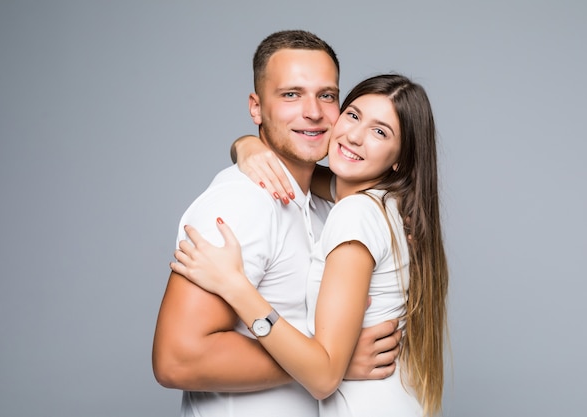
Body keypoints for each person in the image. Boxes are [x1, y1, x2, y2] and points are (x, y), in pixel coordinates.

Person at [152, 30, 401, 417]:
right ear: (256, 108)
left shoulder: (330, 204)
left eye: (327, 95)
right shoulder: (239, 203)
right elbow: (177, 359)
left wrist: (243, 143)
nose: (314, 111)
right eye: (291, 94)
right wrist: (331, 365)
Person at [172, 74, 449, 416]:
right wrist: (246, 145)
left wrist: (235, 286)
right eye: (353, 115)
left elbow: (322, 378)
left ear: (400, 160)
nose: (355, 136)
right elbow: (293, 171)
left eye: (380, 132)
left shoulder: (355, 213)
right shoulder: (382, 202)